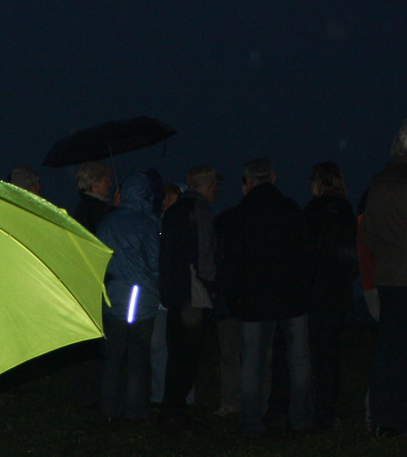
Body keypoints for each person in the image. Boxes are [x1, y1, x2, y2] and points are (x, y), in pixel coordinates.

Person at [215, 158, 314, 436]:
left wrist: (235, 298)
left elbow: (232, 262)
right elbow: (308, 255)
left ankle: (251, 422)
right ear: (273, 177)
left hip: (254, 300)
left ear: (247, 182)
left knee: (254, 363)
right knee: (298, 361)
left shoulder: (241, 214)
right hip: (292, 298)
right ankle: (301, 419)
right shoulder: (291, 210)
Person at [157, 165, 220, 429]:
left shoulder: (172, 212)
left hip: (173, 294)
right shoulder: (201, 210)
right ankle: (176, 412)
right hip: (193, 295)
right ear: (209, 186)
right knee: (190, 356)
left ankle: (171, 409)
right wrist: (212, 285)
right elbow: (206, 254)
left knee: (176, 354)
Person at [97, 172, 162, 421]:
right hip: (138, 300)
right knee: (137, 356)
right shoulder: (146, 224)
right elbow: (155, 263)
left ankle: (109, 410)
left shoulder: (107, 222)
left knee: (112, 358)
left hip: (112, 297)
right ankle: (135, 411)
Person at [303, 162, 358, 430]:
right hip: (334, 292)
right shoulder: (344, 211)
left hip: (314, 292)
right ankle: (326, 411)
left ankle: (313, 410)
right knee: (329, 355)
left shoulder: (312, 211)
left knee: (310, 354)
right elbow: (351, 255)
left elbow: (305, 253)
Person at [363, 120, 407, 435]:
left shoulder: (380, 182)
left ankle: (382, 419)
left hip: (389, 277)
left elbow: (369, 233)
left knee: (389, 350)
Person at [72, 161, 115, 235]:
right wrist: (116, 210)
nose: (110, 183)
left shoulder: (87, 207)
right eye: (106, 180)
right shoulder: (94, 209)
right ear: (95, 183)